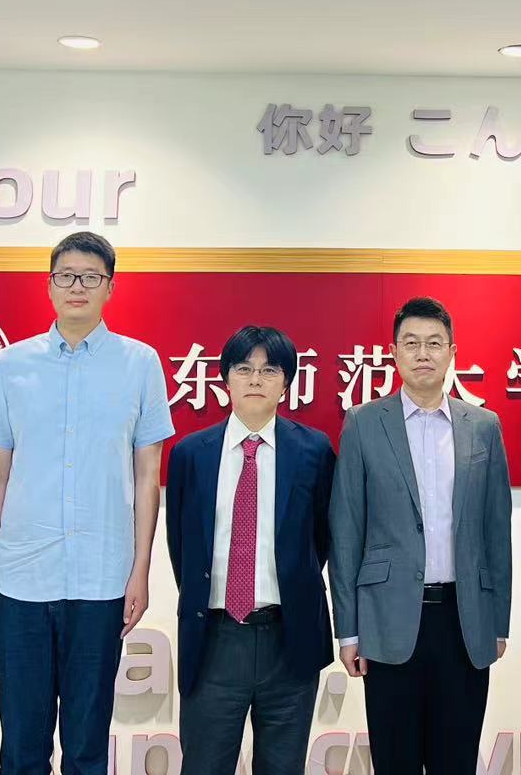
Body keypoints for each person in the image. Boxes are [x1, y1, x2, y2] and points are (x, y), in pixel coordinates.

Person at [0, 232, 174, 775]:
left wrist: (140, 570)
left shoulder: (140, 363)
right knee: (22, 748)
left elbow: (147, 475)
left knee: (86, 747)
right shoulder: (11, 364)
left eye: (90, 277)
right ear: (49, 285)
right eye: (66, 276)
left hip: (102, 579)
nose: (77, 286)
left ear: (110, 287)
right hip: (20, 578)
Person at [328, 296, 512, 775]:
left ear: (452, 352)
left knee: (456, 762)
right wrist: (348, 630)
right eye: (411, 343)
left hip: (463, 620)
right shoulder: (364, 423)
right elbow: (346, 530)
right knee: (395, 762)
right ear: (394, 353)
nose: (423, 353)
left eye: (434, 343)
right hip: (387, 620)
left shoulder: (483, 426)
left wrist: (498, 624)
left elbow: (497, 531)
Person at [166, 325, 336, 775]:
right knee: (203, 766)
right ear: (226, 379)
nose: (256, 379)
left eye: (269, 370)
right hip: (215, 639)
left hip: (289, 639)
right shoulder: (190, 454)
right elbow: (182, 547)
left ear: (287, 383)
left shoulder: (314, 451)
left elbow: (321, 539)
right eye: (244, 369)